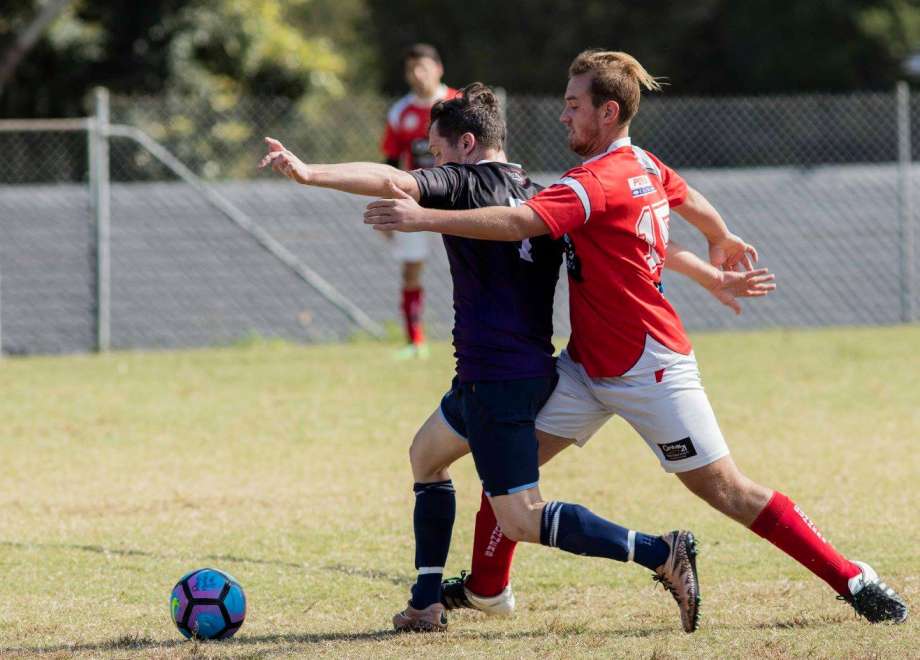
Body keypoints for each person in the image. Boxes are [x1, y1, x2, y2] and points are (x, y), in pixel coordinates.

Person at [363, 50, 909, 626]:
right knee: (508, 472)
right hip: (584, 369)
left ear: (608, 112)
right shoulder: (641, 165)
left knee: (728, 491)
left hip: (650, 367)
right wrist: (718, 244)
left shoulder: (592, 181)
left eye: (574, 105)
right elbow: (680, 205)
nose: (563, 116)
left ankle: (852, 578)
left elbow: (522, 221)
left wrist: (425, 217)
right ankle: (487, 589)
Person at [261, 83, 773, 633]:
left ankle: (660, 551)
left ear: (467, 144)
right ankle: (426, 602)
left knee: (522, 518)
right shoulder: (543, 193)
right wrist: (710, 274)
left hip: (498, 381)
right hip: (507, 374)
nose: (432, 164)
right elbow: (644, 241)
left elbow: (392, 181)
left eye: (437, 152)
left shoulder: (461, 182)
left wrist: (310, 172)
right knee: (425, 456)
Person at [380, 43, 457, 359]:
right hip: (417, 200)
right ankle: (415, 341)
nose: (417, 74)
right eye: (411, 68)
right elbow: (390, 163)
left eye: (423, 67)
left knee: (474, 263)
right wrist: (387, 207)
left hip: (457, 198)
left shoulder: (459, 103)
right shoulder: (400, 112)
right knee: (411, 269)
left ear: (438, 69)